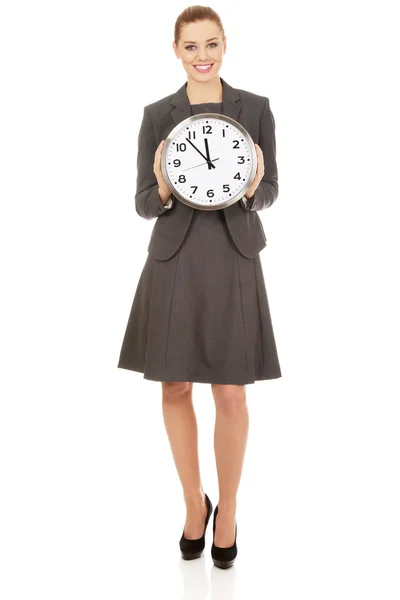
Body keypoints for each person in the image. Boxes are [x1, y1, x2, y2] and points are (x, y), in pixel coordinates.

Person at [117, 5, 282, 568]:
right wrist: (163, 184)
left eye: (212, 44)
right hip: (175, 258)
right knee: (175, 389)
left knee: (231, 392)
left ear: (225, 45)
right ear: (176, 51)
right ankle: (194, 502)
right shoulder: (156, 114)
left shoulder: (254, 108)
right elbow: (143, 203)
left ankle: (229, 510)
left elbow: (272, 189)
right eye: (192, 47)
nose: (203, 56)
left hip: (233, 255)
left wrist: (255, 186)